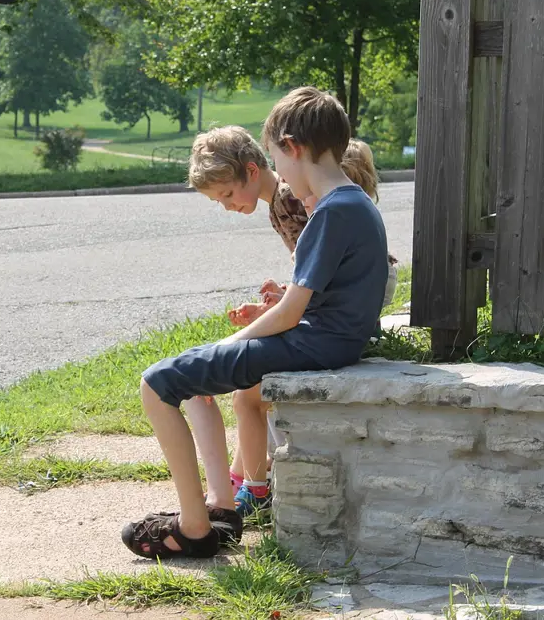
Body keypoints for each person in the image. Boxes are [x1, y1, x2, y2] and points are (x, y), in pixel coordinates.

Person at [121, 87, 390, 559]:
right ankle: (216, 507)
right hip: (328, 340)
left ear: (292, 148)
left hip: (315, 343)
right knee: (181, 376)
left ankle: (196, 528)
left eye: (274, 158)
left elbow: (290, 312)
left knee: (157, 384)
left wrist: (230, 343)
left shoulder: (331, 211)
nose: (279, 175)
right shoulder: (351, 204)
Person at [223, 137, 399, 515]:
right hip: (347, 292)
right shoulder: (280, 205)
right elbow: (316, 269)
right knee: (253, 390)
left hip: (353, 294)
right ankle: (249, 479)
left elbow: (328, 266)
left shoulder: (289, 198)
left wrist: (284, 310)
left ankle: (251, 484)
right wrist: (287, 296)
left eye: (226, 194)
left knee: (252, 386)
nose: (304, 200)